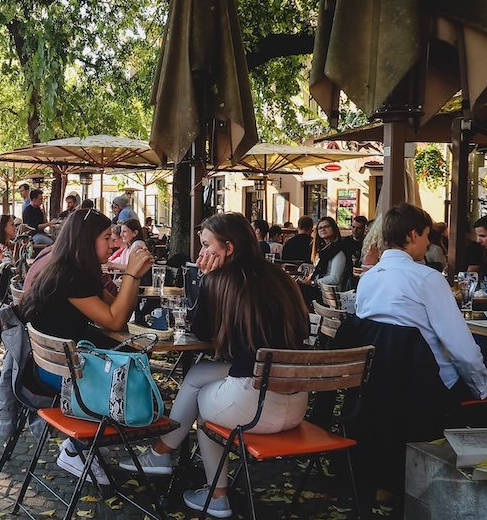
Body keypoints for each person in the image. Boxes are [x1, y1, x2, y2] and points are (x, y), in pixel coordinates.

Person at [119, 212, 309, 518]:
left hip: (253, 408)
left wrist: (205, 280)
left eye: (207, 245)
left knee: (203, 405)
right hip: (296, 402)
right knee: (198, 374)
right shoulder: (281, 279)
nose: (202, 253)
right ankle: (161, 453)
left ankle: (216, 494)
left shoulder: (222, 281)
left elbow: (202, 331)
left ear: (228, 248)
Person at [354, 203, 487, 502]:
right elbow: (460, 345)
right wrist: (481, 386)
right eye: (427, 235)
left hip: (376, 384)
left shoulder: (368, 278)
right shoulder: (427, 278)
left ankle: (388, 481)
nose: (429, 242)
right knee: (484, 381)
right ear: (413, 234)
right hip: (423, 388)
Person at [21, 208, 154, 485]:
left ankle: (81, 447)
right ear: (86, 240)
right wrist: (131, 274)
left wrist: (135, 277)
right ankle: (75, 449)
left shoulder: (74, 270)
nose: (114, 243)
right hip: (61, 375)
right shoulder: (71, 277)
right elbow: (116, 321)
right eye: (107, 238)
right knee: (133, 375)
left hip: (52, 366)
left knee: (133, 360)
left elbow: (116, 313)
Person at [298, 216, 350, 295]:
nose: (323, 229)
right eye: (320, 228)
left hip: (330, 294)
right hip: (321, 289)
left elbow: (334, 278)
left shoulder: (338, 250)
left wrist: (313, 282)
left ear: (333, 228)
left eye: (326, 226)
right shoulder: (324, 250)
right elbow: (319, 269)